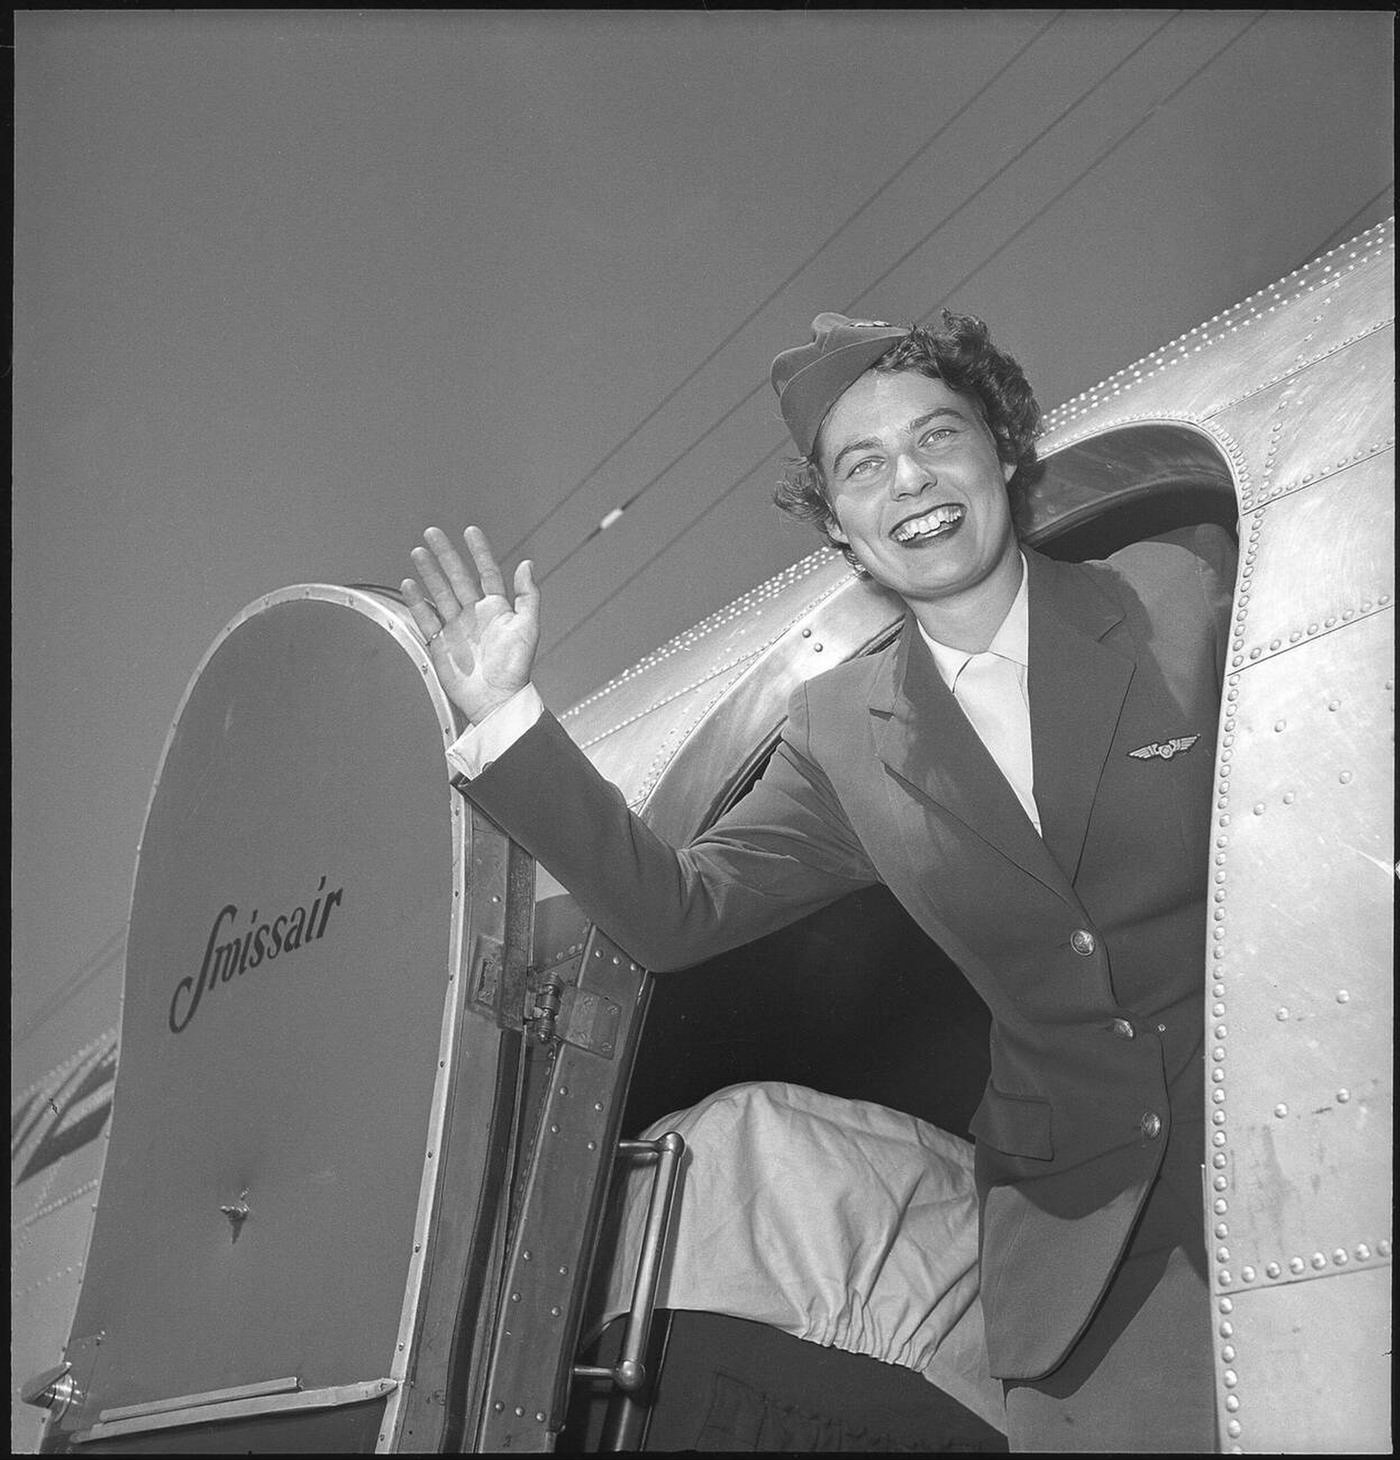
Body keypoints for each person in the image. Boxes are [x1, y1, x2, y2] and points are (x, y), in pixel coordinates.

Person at [402, 311, 1237, 1451]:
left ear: (1002, 448)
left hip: (1268, 1111)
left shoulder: (1180, 592)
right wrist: (505, 716)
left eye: (937, 436)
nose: (910, 480)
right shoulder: (841, 738)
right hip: (1086, 1233)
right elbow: (672, 912)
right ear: (840, 531)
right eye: (862, 467)